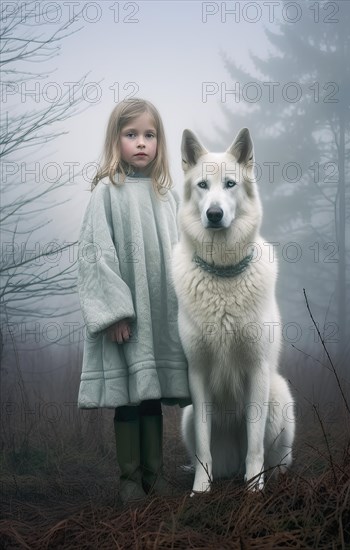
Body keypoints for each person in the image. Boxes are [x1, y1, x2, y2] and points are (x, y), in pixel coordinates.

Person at [76, 98, 191, 503]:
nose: (141, 142)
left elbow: (183, 253)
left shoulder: (168, 197)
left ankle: (154, 475)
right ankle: (129, 480)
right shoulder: (107, 193)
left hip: (160, 315)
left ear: (159, 142)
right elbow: (95, 254)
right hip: (126, 319)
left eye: (149, 134)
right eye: (131, 134)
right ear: (116, 140)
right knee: (127, 394)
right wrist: (114, 313)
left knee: (151, 394)